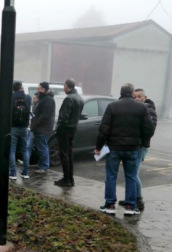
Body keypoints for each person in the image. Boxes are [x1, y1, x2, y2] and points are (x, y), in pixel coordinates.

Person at [95, 83, 153, 216]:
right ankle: (130, 206)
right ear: (133, 93)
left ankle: (109, 205)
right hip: (133, 148)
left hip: (114, 148)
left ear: (121, 93)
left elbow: (103, 130)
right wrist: (142, 142)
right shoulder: (141, 108)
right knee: (131, 177)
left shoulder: (112, 107)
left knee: (111, 176)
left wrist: (98, 147)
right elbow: (149, 129)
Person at [118, 88, 158, 211]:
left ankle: (139, 200)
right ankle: (131, 198)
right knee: (130, 173)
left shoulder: (149, 110)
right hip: (133, 145)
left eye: (140, 96)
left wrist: (139, 139)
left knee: (133, 174)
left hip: (140, 146)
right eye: (135, 97)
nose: (137, 99)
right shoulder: (136, 109)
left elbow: (150, 130)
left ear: (145, 98)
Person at [54, 78, 84, 187]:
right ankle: (70, 178)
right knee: (69, 153)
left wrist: (58, 128)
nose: (63, 88)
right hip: (73, 128)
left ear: (67, 87)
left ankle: (67, 179)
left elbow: (63, 117)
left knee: (64, 154)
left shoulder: (69, 99)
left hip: (65, 129)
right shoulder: (79, 99)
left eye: (64, 86)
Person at [30, 82, 55, 173]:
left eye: (39, 88)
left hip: (43, 128)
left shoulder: (48, 100)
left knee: (42, 147)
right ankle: (41, 164)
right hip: (40, 127)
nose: (38, 90)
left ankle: (44, 166)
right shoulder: (43, 98)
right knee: (40, 147)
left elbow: (45, 115)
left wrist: (35, 124)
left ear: (44, 89)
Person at [8, 81, 32, 179]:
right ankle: (25, 172)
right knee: (25, 150)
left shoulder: (11, 97)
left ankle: (13, 173)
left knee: (12, 150)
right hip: (24, 127)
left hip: (13, 126)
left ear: (13, 88)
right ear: (21, 87)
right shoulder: (28, 97)